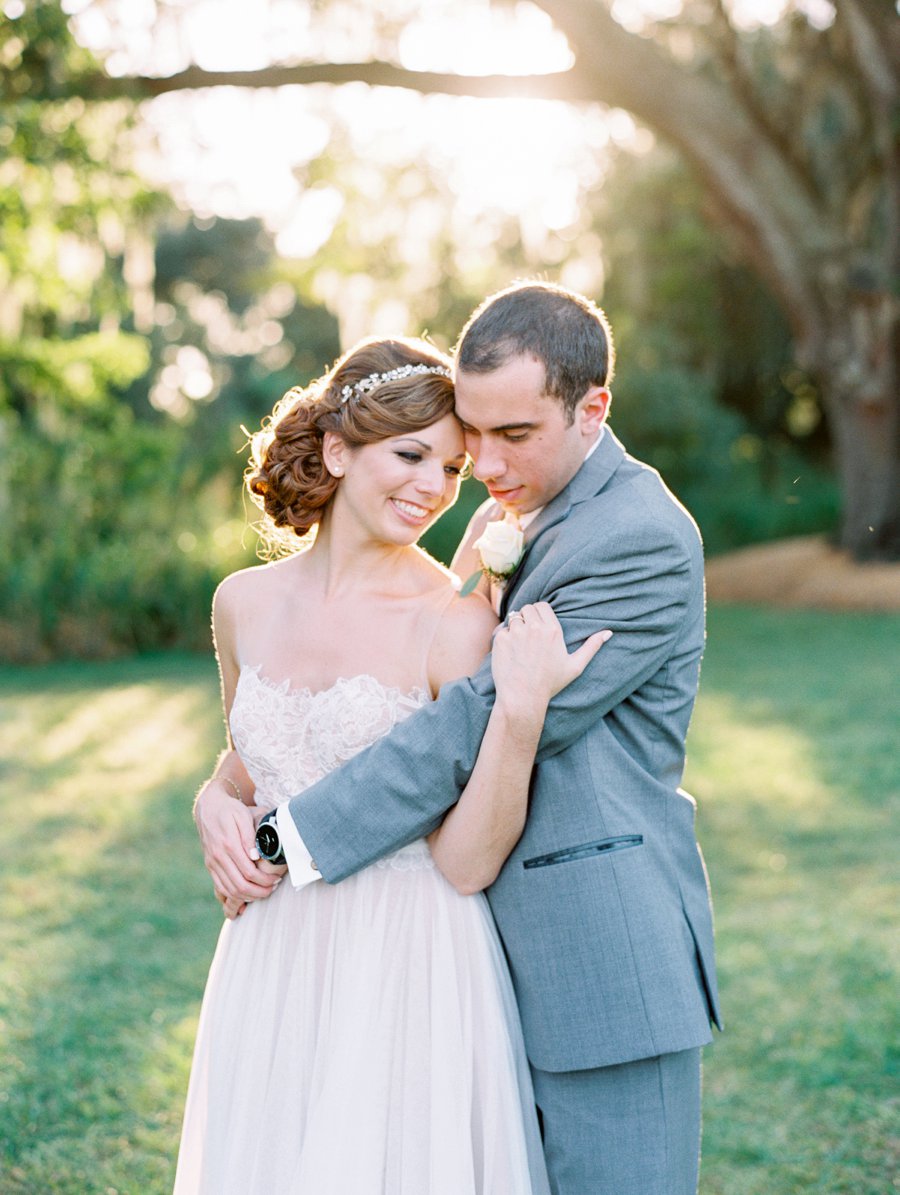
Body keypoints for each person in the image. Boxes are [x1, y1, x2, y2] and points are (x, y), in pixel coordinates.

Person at [200, 281, 722, 1194]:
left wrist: (286, 833)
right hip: (437, 958)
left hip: (590, 956)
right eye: (467, 436)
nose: (473, 467)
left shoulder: (638, 536)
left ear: (592, 407)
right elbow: (290, 730)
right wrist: (218, 795)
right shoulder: (504, 521)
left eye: (508, 436)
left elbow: (462, 725)